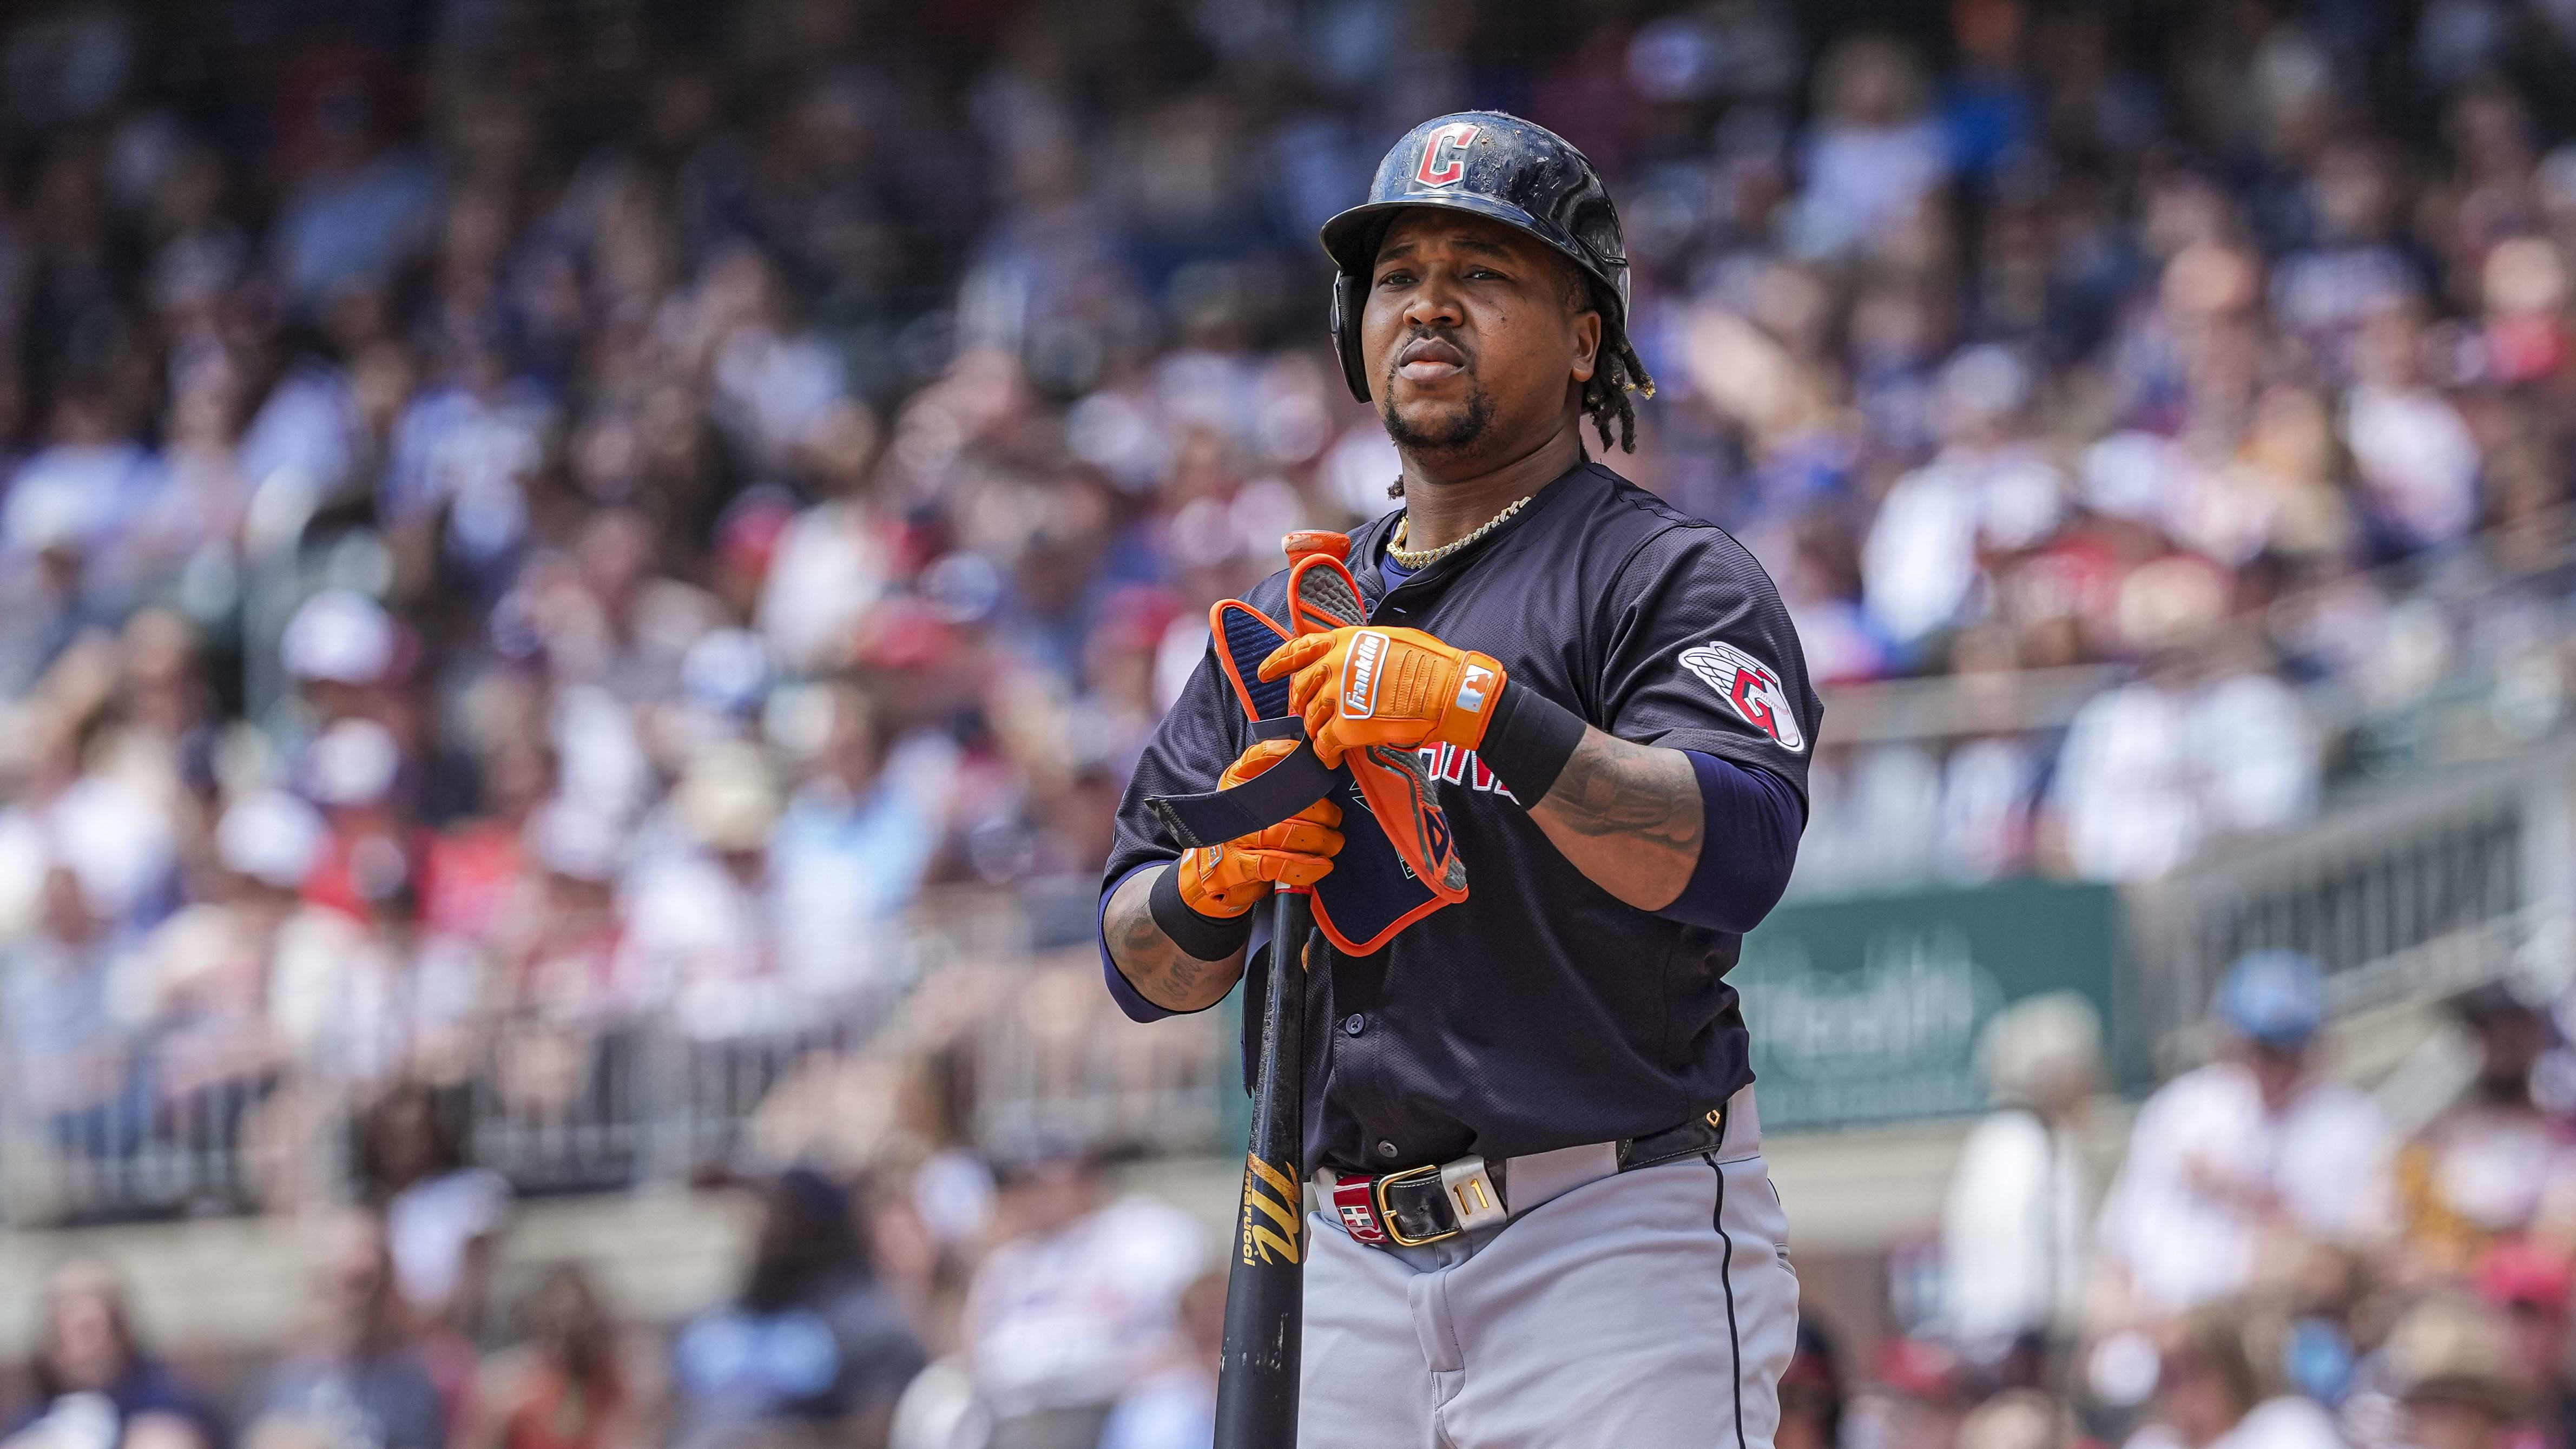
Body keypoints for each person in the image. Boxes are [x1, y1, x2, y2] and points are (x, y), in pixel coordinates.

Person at [1101, 113, 1815, 1448]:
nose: (1428, 304)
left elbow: (1736, 850)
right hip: (1337, 1253)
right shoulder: (1291, 615)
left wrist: (1492, 716)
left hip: (1606, 1237)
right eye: (1396, 275)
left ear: (1586, 335)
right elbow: (1137, 960)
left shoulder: (1664, 578)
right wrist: (1213, 884)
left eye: (1482, 273)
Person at [2093, 951, 2393, 1323]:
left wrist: (2239, 1194)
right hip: (2167, 1325)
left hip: (2286, 1323)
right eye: (2261, 1049)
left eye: (2289, 1050)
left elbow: (2353, 1251)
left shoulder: (2348, 1122)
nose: (2272, 1067)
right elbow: (2120, 1243)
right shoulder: (2182, 1109)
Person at [959, 1150, 1206, 1449]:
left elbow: (1197, 1316)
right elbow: (974, 1351)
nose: (1040, 1195)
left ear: (1087, 1180)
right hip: (1028, 1414)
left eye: (1049, 1181)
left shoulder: (1143, 1232)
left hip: (1123, 1400)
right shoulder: (1010, 1262)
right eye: (1029, 1184)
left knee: (1163, 1418)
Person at [669, 1170, 925, 1449]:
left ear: (818, 1226)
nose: (764, 1226)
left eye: (781, 1212)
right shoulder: (718, 1319)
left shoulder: (872, 1326)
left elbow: (877, 1428)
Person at [1943, 992, 2105, 1355]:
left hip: (1985, 1343)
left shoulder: (1989, 1143)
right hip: (2032, 1347)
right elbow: (2052, 1283)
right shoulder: (2043, 1147)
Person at [247, 1211, 451, 1449]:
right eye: (347, 1281)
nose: (357, 1303)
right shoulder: (280, 1383)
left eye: (367, 1281)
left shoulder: (410, 1386)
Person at [3, 1260, 223, 1449]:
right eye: (58, 1326)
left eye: (87, 1328)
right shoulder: (30, 1415)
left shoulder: (167, 1399)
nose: (73, 1344)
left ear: (119, 1330)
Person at [2120, 1302, 2344, 1449]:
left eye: (2196, 1367)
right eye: (2170, 1377)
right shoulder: (2151, 1444)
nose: (2185, 1390)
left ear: (2230, 1366)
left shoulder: (2288, 1425)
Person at [470, 1266, 637, 1449]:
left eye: (577, 1319)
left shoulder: (609, 1386)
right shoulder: (516, 1392)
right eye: (559, 1321)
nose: (568, 1330)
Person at [1095, 1270, 1224, 1449]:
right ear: (1188, 1333)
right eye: (1209, 1338)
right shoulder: (1149, 1412)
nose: (1219, 1355)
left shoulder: (1268, 1406)